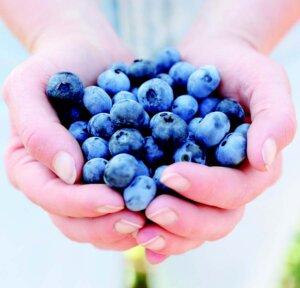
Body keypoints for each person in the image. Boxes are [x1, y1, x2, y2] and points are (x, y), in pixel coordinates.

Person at [0, 0, 299, 273]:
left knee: (228, 266)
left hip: (262, 23)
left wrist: (241, 32)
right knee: (49, 266)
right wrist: (55, 27)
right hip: (36, 19)